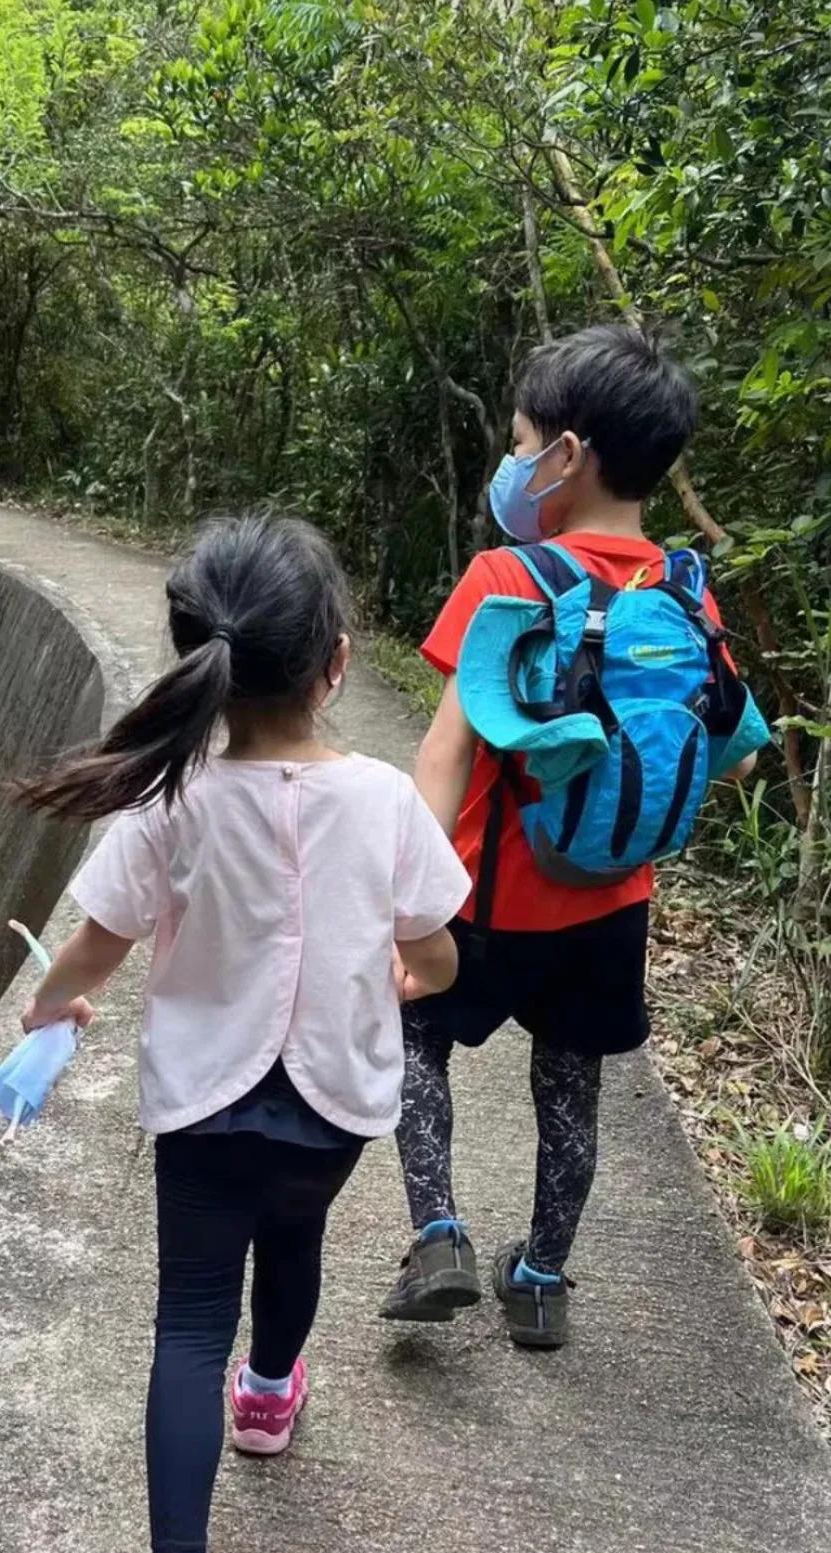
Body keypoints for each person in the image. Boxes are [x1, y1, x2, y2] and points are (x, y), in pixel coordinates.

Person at [11, 515, 470, 1553]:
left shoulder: (168, 805)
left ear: (196, 666)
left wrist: (47, 1018)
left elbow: (92, 953)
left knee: (186, 1325)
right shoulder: (380, 802)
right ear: (336, 662)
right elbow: (437, 953)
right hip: (329, 1116)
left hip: (204, 1114)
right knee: (299, 1244)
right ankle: (270, 1399)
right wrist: (406, 972)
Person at [381, 324, 761, 1349]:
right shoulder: (683, 593)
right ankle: (542, 1279)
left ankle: (440, 1237)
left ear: (565, 455)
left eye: (520, 441)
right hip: (611, 908)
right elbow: (737, 749)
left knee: (416, 1046)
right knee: (570, 1087)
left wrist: (410, 906)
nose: (514, 463)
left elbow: (443, 753)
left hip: (487, 900)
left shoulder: (510, 580)